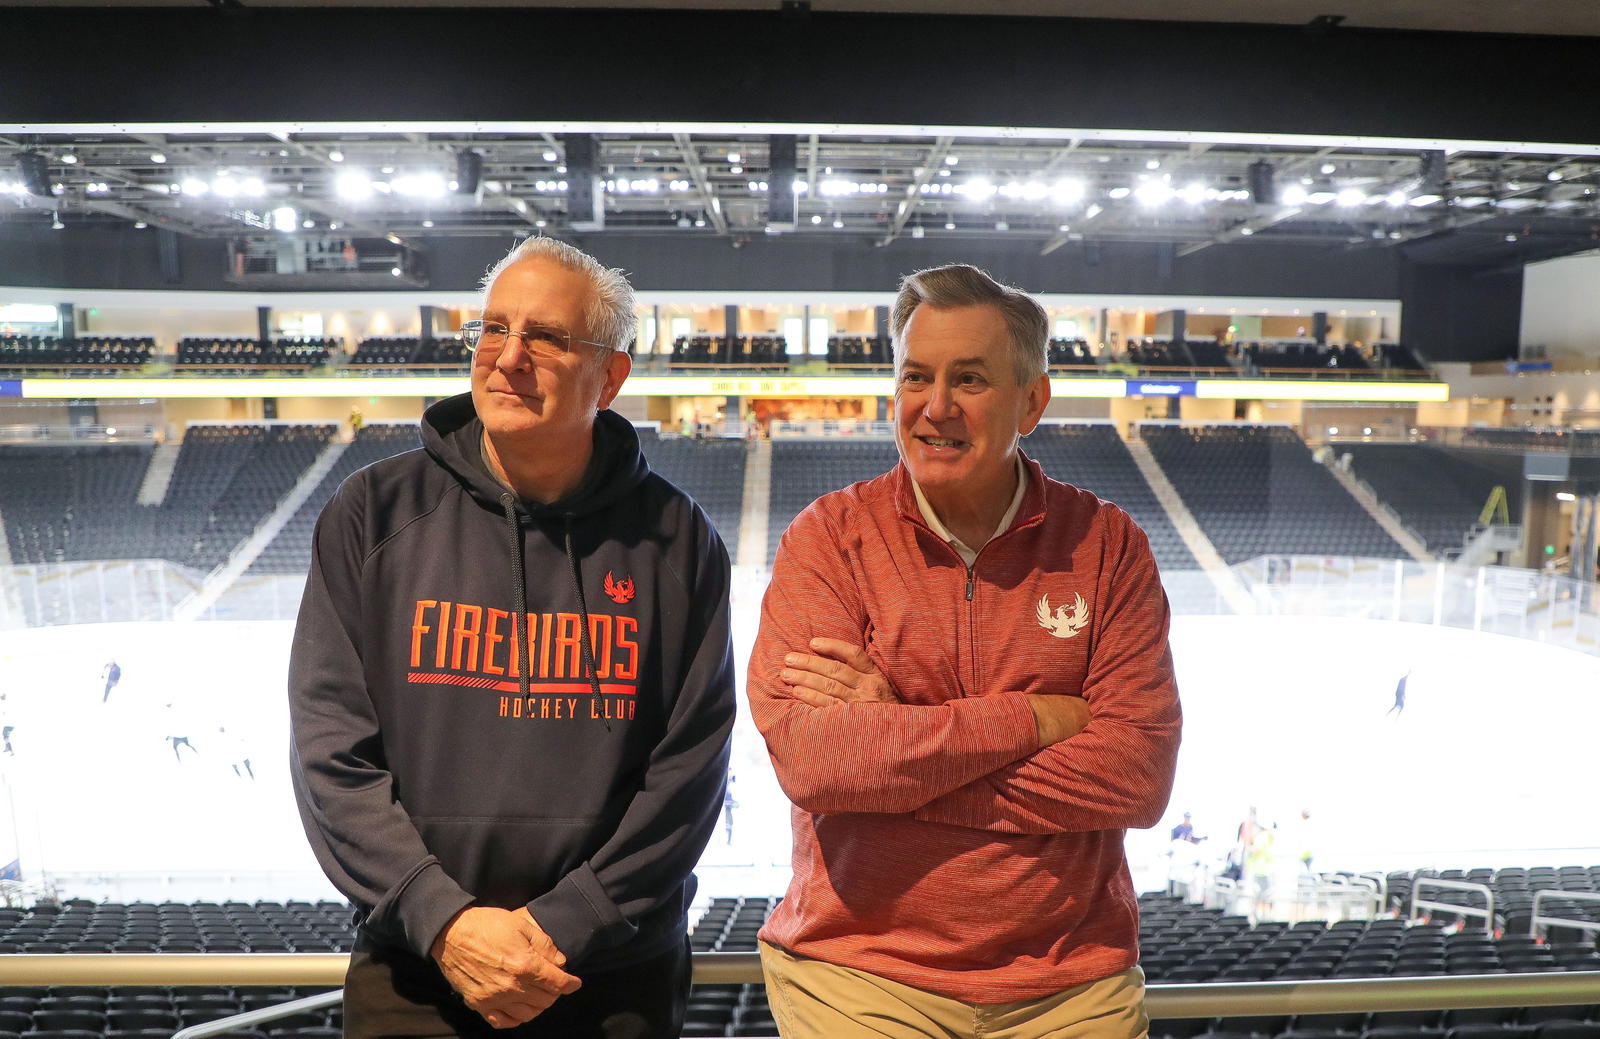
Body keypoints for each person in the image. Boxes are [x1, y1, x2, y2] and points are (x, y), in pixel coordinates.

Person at [289, 237, 737, 1039]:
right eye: (493, 329)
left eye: (545, 337)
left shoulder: (678, 539)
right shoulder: (370, 515)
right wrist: (447, 922)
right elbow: (330, 752)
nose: (509, 357)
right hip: (418, 969)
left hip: (609, 977)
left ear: (611, 375)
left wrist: (565, 924)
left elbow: (690, 773)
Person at [747, 264, 1182, 1038]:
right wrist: (1032, 719)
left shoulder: (1108, 546)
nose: (935, 406)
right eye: (916, 376)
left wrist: (898, 741)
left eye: (970, 380)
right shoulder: (828, 539)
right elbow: (816, 763)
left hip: (1068, 981)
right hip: (860, 974)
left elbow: (1137, 774)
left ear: (1032, 401)